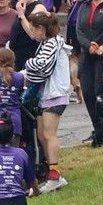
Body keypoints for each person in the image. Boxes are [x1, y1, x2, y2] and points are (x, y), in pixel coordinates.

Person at [23, 10, 71, 192]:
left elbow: (42, 67)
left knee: (49, 134)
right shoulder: (45, 43)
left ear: (41, 29)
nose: (32, 33)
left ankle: (55, 176)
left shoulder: (52, 43)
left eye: (33, 29)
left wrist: (28, 63)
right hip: (46, 94)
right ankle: (54, 173)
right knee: (42, 134)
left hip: (55, 94)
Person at [74, 0, 103, 147]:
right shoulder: (84, 5)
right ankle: (100, 129)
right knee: (88, 94)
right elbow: (79, 30)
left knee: (100, 94)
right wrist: (87, 46)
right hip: (87, 55)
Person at [0, 48, 24, 147]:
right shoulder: (19, 77)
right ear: (13, 62)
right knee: (14, 152)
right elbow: (21, 95)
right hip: (15, 120)